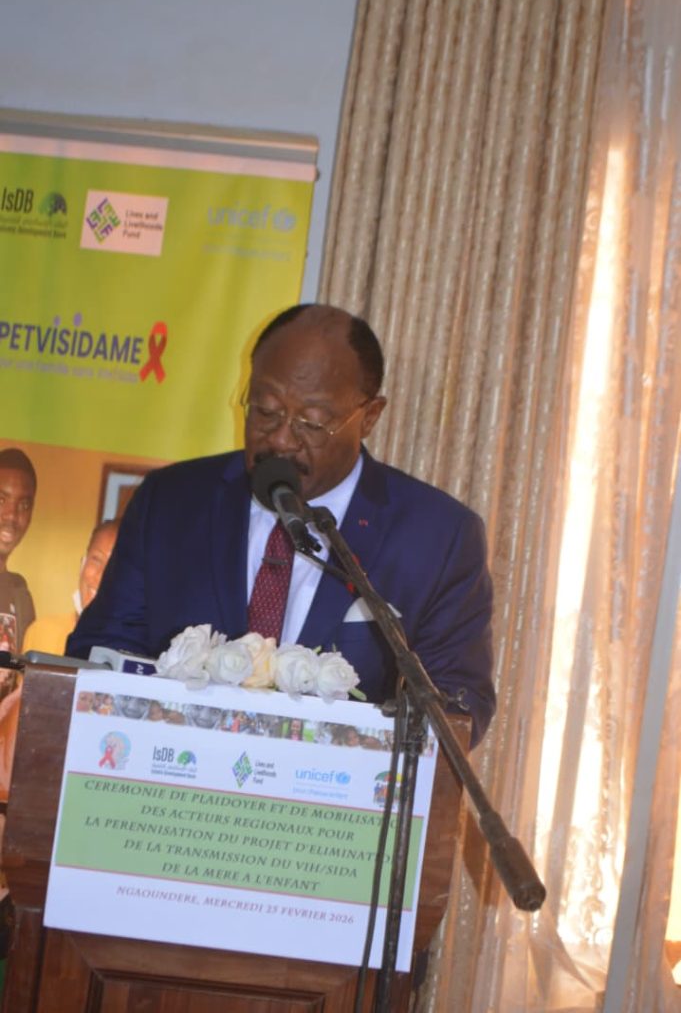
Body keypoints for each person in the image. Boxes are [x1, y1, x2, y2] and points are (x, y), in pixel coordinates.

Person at [66, 304, 495, 746]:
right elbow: (101, 653)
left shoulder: (438, 537)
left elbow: (457, 708)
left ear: (369, 417)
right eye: (265, 410)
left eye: (312, 422)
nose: (281, 439)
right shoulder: (171, 502)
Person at [23, 518, 119, 655]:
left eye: (115, 567)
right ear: (83, 563)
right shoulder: (41, 632)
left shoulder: (130, 652)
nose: (100, 577)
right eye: (96, 560)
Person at [0, 448, 37, 654]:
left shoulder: (20, 596)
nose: (11, 516)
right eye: (1, 500)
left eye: (23, 505)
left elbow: (20, 668)